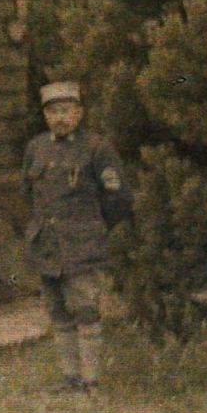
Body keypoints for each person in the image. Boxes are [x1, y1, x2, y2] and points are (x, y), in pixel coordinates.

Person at [22, 80, 131, 394]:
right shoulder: (36, 148)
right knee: (57, 311)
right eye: (53, 111)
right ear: (45, 115)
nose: (60, 117)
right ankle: (70, 378)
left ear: (79, 112)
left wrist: (93, 227)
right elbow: (28, 192)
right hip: (48, 246)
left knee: (85, 309)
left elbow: (119, 197)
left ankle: (90, 380)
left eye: (66, 110)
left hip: (82, 245)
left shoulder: (97, 148)